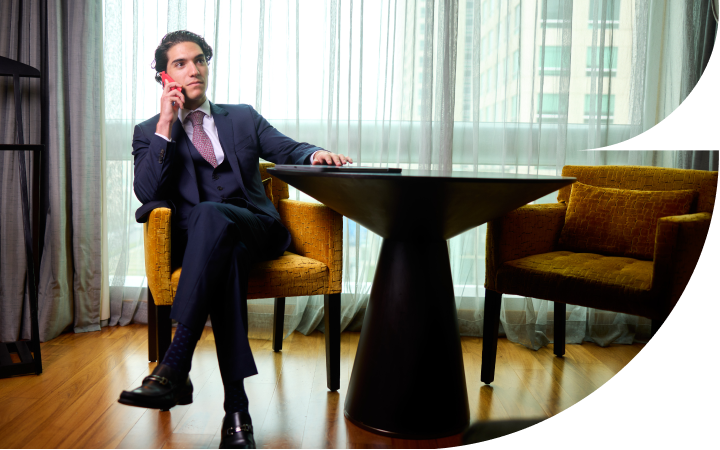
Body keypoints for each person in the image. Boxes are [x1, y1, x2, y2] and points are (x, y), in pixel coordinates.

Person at [117, 30, 352, 449]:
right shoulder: (149, 131)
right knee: (225, 256)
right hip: (206, 244)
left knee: (212, 214)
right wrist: (167, 124)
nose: (194, 69)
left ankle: (175, 364)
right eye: (180, 63)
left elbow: (287, 148)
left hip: (257, 227)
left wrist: (314, 154)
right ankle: (237, 414)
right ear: (164, 77)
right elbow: (148, 192)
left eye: (200, 60)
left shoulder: (241, 117)